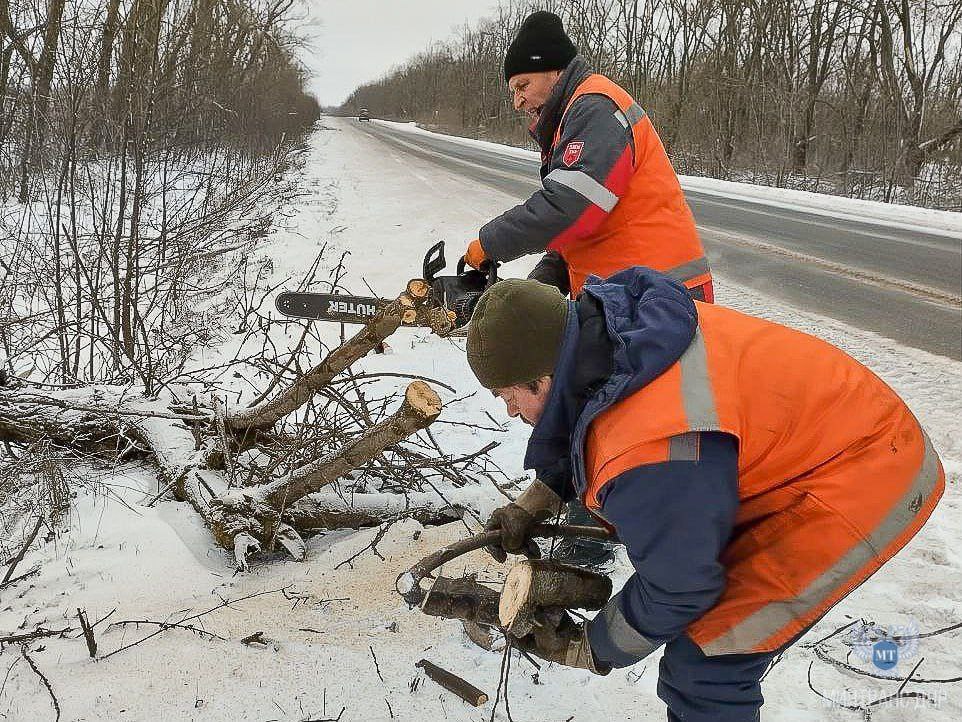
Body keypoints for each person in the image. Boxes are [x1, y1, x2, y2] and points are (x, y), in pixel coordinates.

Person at [465, 270, 944, 721]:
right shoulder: (618, 333)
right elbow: (582, 418)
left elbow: (679, 586)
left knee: (709, 659)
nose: (510, 412)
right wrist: (540, 497)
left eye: (509, 395)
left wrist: (594, 646)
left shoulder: (646, 446)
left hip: (867, 471)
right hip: (830, 429)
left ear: (544, 376)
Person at [462, 11, 712, 303]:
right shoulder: (571, 116)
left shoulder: (595, 107)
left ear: (555, 71)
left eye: (523, 86)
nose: (518, 102)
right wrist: (540, 286)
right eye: (513, 92)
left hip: (663, 298)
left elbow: (569, 207)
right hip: (629, 296)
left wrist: (490, 242)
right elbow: (579, 229)